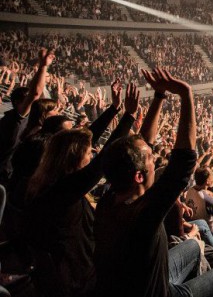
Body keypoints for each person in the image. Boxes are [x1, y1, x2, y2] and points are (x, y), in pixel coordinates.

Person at [94, 68, 213, 297]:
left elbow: (140, 144)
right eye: (150, 158)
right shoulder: (144, 213)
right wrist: (186, 94)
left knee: (193, 246)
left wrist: (159, 96)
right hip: (158, 293)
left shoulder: (110, 199)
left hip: (139, 281)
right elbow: (184, 162)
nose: (154, 159)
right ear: (139, 176)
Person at [25, 81, 137, 297]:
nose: (92, 153)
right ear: (74, 159)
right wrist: (128, 116)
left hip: (73, 276)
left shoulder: (50, 183)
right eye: (88, 154)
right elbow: (102, 162)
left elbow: (88, 136)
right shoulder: (63, 193)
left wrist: (115, 109)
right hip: (84, 284)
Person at [0, 48, 54, 183]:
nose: (32, 103)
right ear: (18, 103)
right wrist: (43, 67)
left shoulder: (14, 119)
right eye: (27, 100)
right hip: (7, 178)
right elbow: (35, 93)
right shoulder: (14, 121)